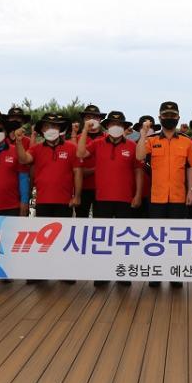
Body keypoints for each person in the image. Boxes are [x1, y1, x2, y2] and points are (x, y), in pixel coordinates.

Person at [136, 101, 192, 288]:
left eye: (172, 115)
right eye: (166, 115)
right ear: (159, 117)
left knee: (177, 238)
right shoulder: (151, 140)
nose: (169, 118)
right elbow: (139, 156)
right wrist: (143, 134)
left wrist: (190, 191)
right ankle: (155, 274)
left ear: (178, 117)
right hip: (157, 197)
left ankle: (175, 274)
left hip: (179, 197)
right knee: (155, 238)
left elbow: (190, 167)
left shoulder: (186, 141)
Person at [77, 111, 142, 286]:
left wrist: (137, 194)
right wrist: (85, 130)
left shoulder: (132, 145)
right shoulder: (98, 143)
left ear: (124, 127)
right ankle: (102, 274)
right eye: (113, 124)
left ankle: (123, 274)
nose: (116, 127)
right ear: (107, 126)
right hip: (102, 198)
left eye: (119, 124)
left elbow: (138, 171)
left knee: (124, 239)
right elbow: (81, 153)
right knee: (102, 240)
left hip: (125, 199)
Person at [16, 113, 82, 218]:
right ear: (42, 130)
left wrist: (77, 196)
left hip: (65, 202)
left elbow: (78, 172)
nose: (51, 129)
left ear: (59, 128)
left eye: (54, 126)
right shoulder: (36, 149)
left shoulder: (72, 148)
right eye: (47, 126)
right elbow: (23, 160)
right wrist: (19, 141)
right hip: (42, 202)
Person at [76, 104, 107, 218]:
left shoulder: (108, 138)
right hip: (82, 187)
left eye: (95, 117)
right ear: (84, 120)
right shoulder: (77, 138)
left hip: (102, 188)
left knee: (101, 219)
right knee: (81, 219)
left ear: (100, 120)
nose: (92, 120)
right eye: (88, 117)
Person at [130, 115, 159, 218]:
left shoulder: (160, 146)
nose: (147, 129)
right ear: (139, 130)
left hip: (155, 195)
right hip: (134, 193)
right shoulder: (132, 145)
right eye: (144, 127)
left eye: (150, 127)